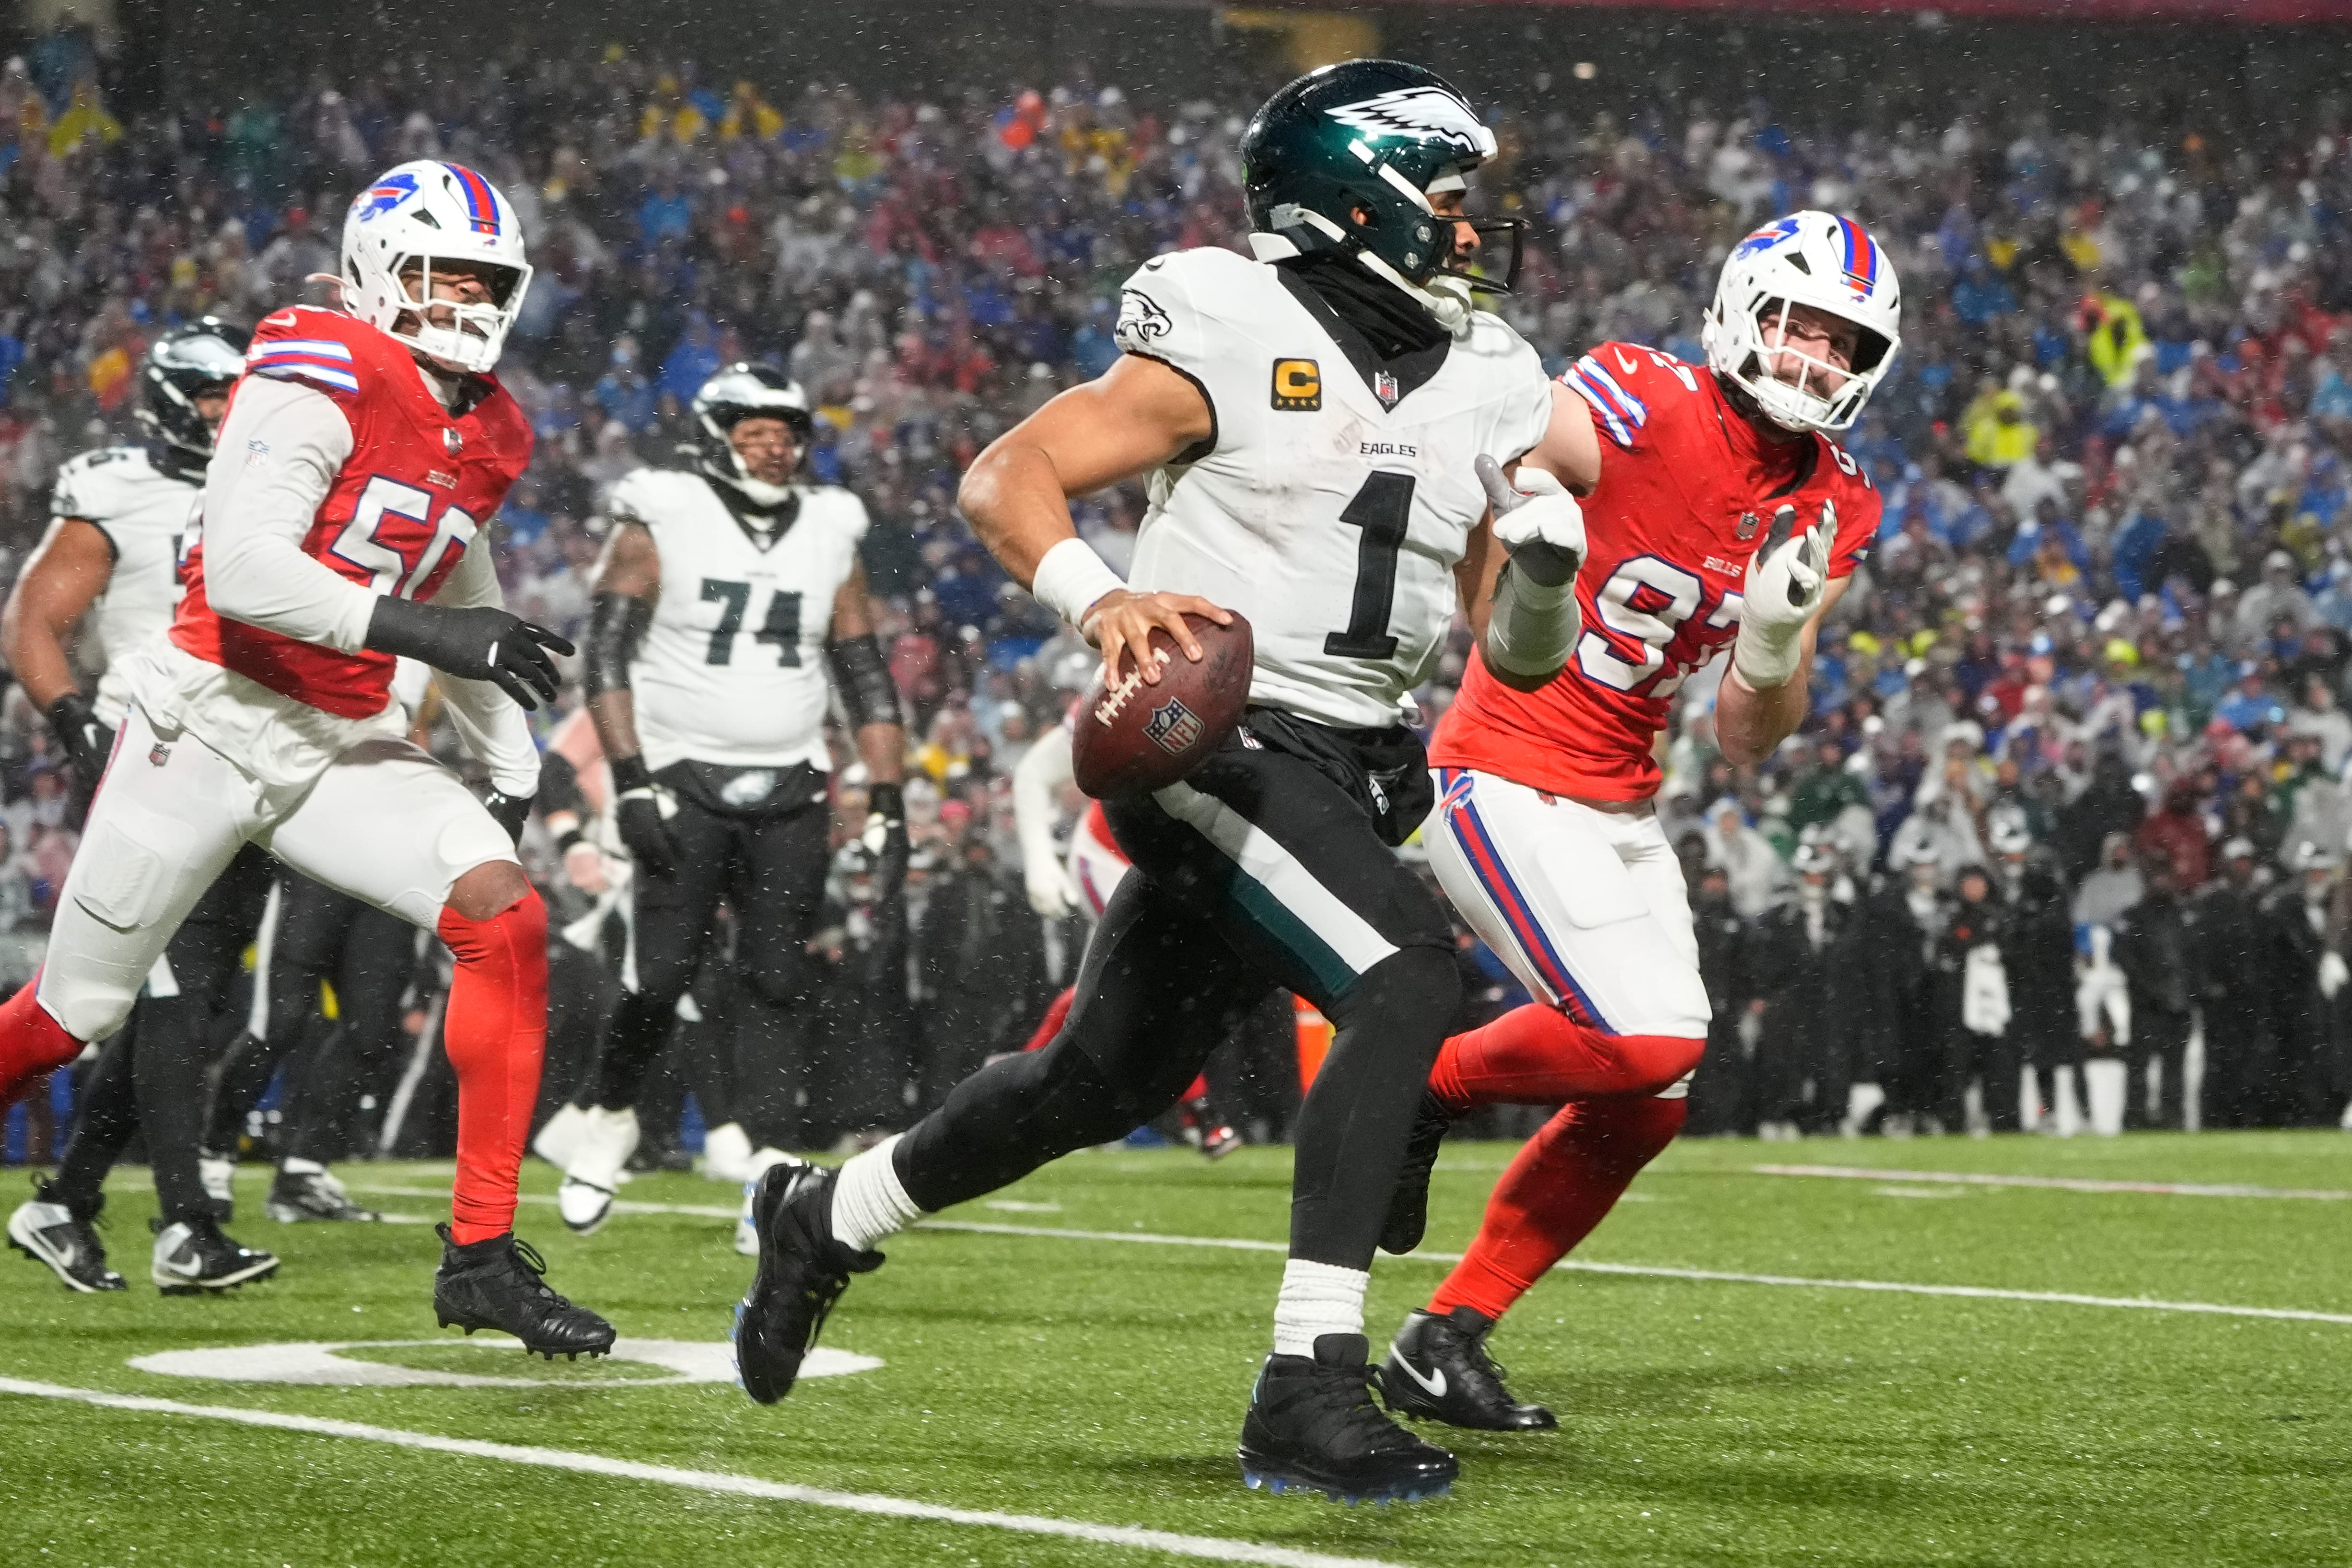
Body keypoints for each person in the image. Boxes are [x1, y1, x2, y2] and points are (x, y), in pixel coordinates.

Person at [734, 60, 1578, 1504]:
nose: (1464, 230)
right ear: (1353, 196)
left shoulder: (1495, 375)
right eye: (1442, 199)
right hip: (1217, 740)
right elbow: (1010, 476)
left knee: (1096, 1078)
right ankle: (1308, 1384)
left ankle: (827, 1213)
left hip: (1362, 758)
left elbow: (1521, 656)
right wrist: (1097, 598)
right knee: (1406, 977)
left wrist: (1550, 579)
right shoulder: (1233, 319)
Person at [0, 161, 612, 1357]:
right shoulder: (313, 360)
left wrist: (507, 740)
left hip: (338, 741)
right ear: (380, 265)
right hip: (207, 722)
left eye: (489, 281)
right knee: (71, 1015)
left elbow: (451, 559)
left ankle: (479, 1259)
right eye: (444, 275)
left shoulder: (489, 421)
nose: (468, 301)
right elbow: (247, 572)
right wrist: (439, 639)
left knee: (505, 915)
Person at [1374, 209, 1894, 1426]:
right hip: (1499, 768)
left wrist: (1770, 643)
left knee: (1649, 1095)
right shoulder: (1637, 393)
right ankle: (1424, 1088)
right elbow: (1498, 450)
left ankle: (1443, 1333)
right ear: (1739, 308)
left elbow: (1747, 734)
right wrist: (1513, 547)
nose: (1815, 361)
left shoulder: (1834, 500)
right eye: (1797, 327)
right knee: (1647, 1040)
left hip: (1617, 799)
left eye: (1843, 344)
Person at [543, 363, 908, 1234]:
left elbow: (863, 671)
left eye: (787, 431)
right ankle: (609, 1116)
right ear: (715, 437)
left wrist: (886, 794)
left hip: (790, 778)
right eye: (755, 430)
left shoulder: (829, 525)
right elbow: (605, 655)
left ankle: (772, 1170)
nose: (775, 445)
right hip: (681, 774)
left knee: (778, 979)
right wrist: (629, 781)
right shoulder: (661, 513)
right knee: (660, 977)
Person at [1, 319, 285, 1293]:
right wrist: (72, 713)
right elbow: (36, 616)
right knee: (167, 995)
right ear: (171, 400)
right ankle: (186, 1226)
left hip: (250, 759)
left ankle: (62, 1202)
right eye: (212, 398)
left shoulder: (277, 477)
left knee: (178, 998)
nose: (226, 415)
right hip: (146, 749)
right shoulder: (116, 486)